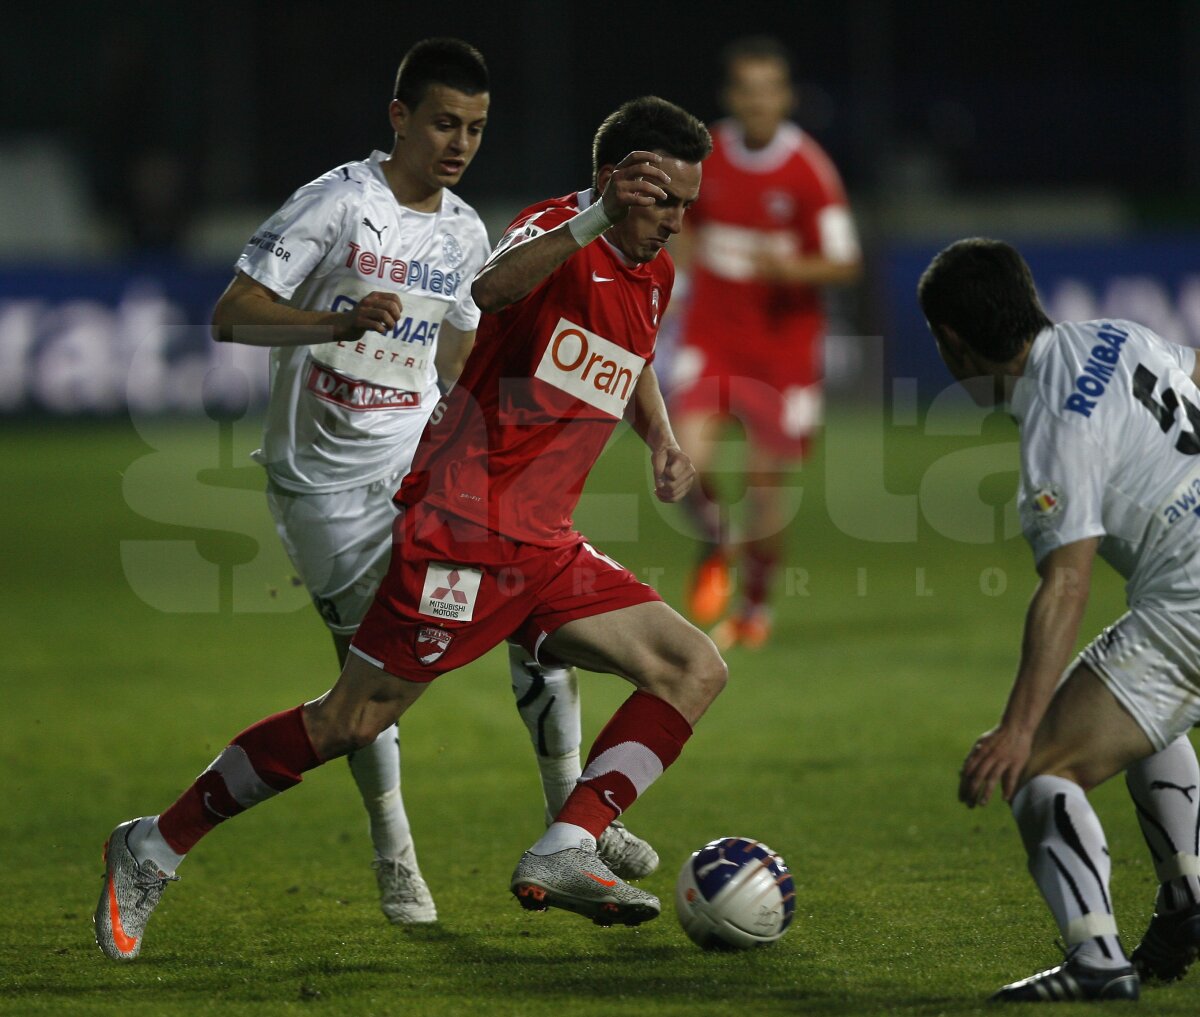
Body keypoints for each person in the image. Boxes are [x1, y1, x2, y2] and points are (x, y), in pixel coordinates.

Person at [95, 95, 725, 962]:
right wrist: (595, 219)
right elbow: (489, 288)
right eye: (666, 202)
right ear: (616, 182)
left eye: (688, 205)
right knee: (351, 720)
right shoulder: (554, 232)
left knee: (691, 666)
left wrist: (660, 436)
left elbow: (634, 354)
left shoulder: (656, 271)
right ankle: (152, 845)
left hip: (541, 542)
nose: (676, 224)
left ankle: (569, 840)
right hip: (462, 527)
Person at [208, 37, 656, 927]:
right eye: (445, 122)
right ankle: (394, 853)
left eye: (477, 129)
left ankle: (571, 819)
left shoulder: (463, 230)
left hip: (421, 462)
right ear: (399, 118)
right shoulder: (338, 204)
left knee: (533, 607)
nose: (459, 142)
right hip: (323, 486)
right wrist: (333, 320)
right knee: (363, 691)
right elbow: (233, 315)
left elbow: (455, 347)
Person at [918, 237, 1200, 1002]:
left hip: (1190, 605)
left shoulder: (1053, 419)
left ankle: (1096, 958)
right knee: (1148, 716)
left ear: (951, 341)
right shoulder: (1115, 333)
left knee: (1042, 767)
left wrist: (1016, 725)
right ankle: (1186, 898)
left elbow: (1067, 585)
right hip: (1184, 595)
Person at [668, 35, 861, 649]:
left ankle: (752, 607)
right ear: (731, 97)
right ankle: (719, 536)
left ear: (785, 97)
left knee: (764, 482)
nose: (758, 102)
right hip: (714, 335)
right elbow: (679, 226)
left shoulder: (809, 170)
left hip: (783, 349)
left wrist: (791, 271)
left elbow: (844, 261)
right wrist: (682, 274)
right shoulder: (703, 155)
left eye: (768, 90)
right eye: (746, 91)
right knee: (683, 463)